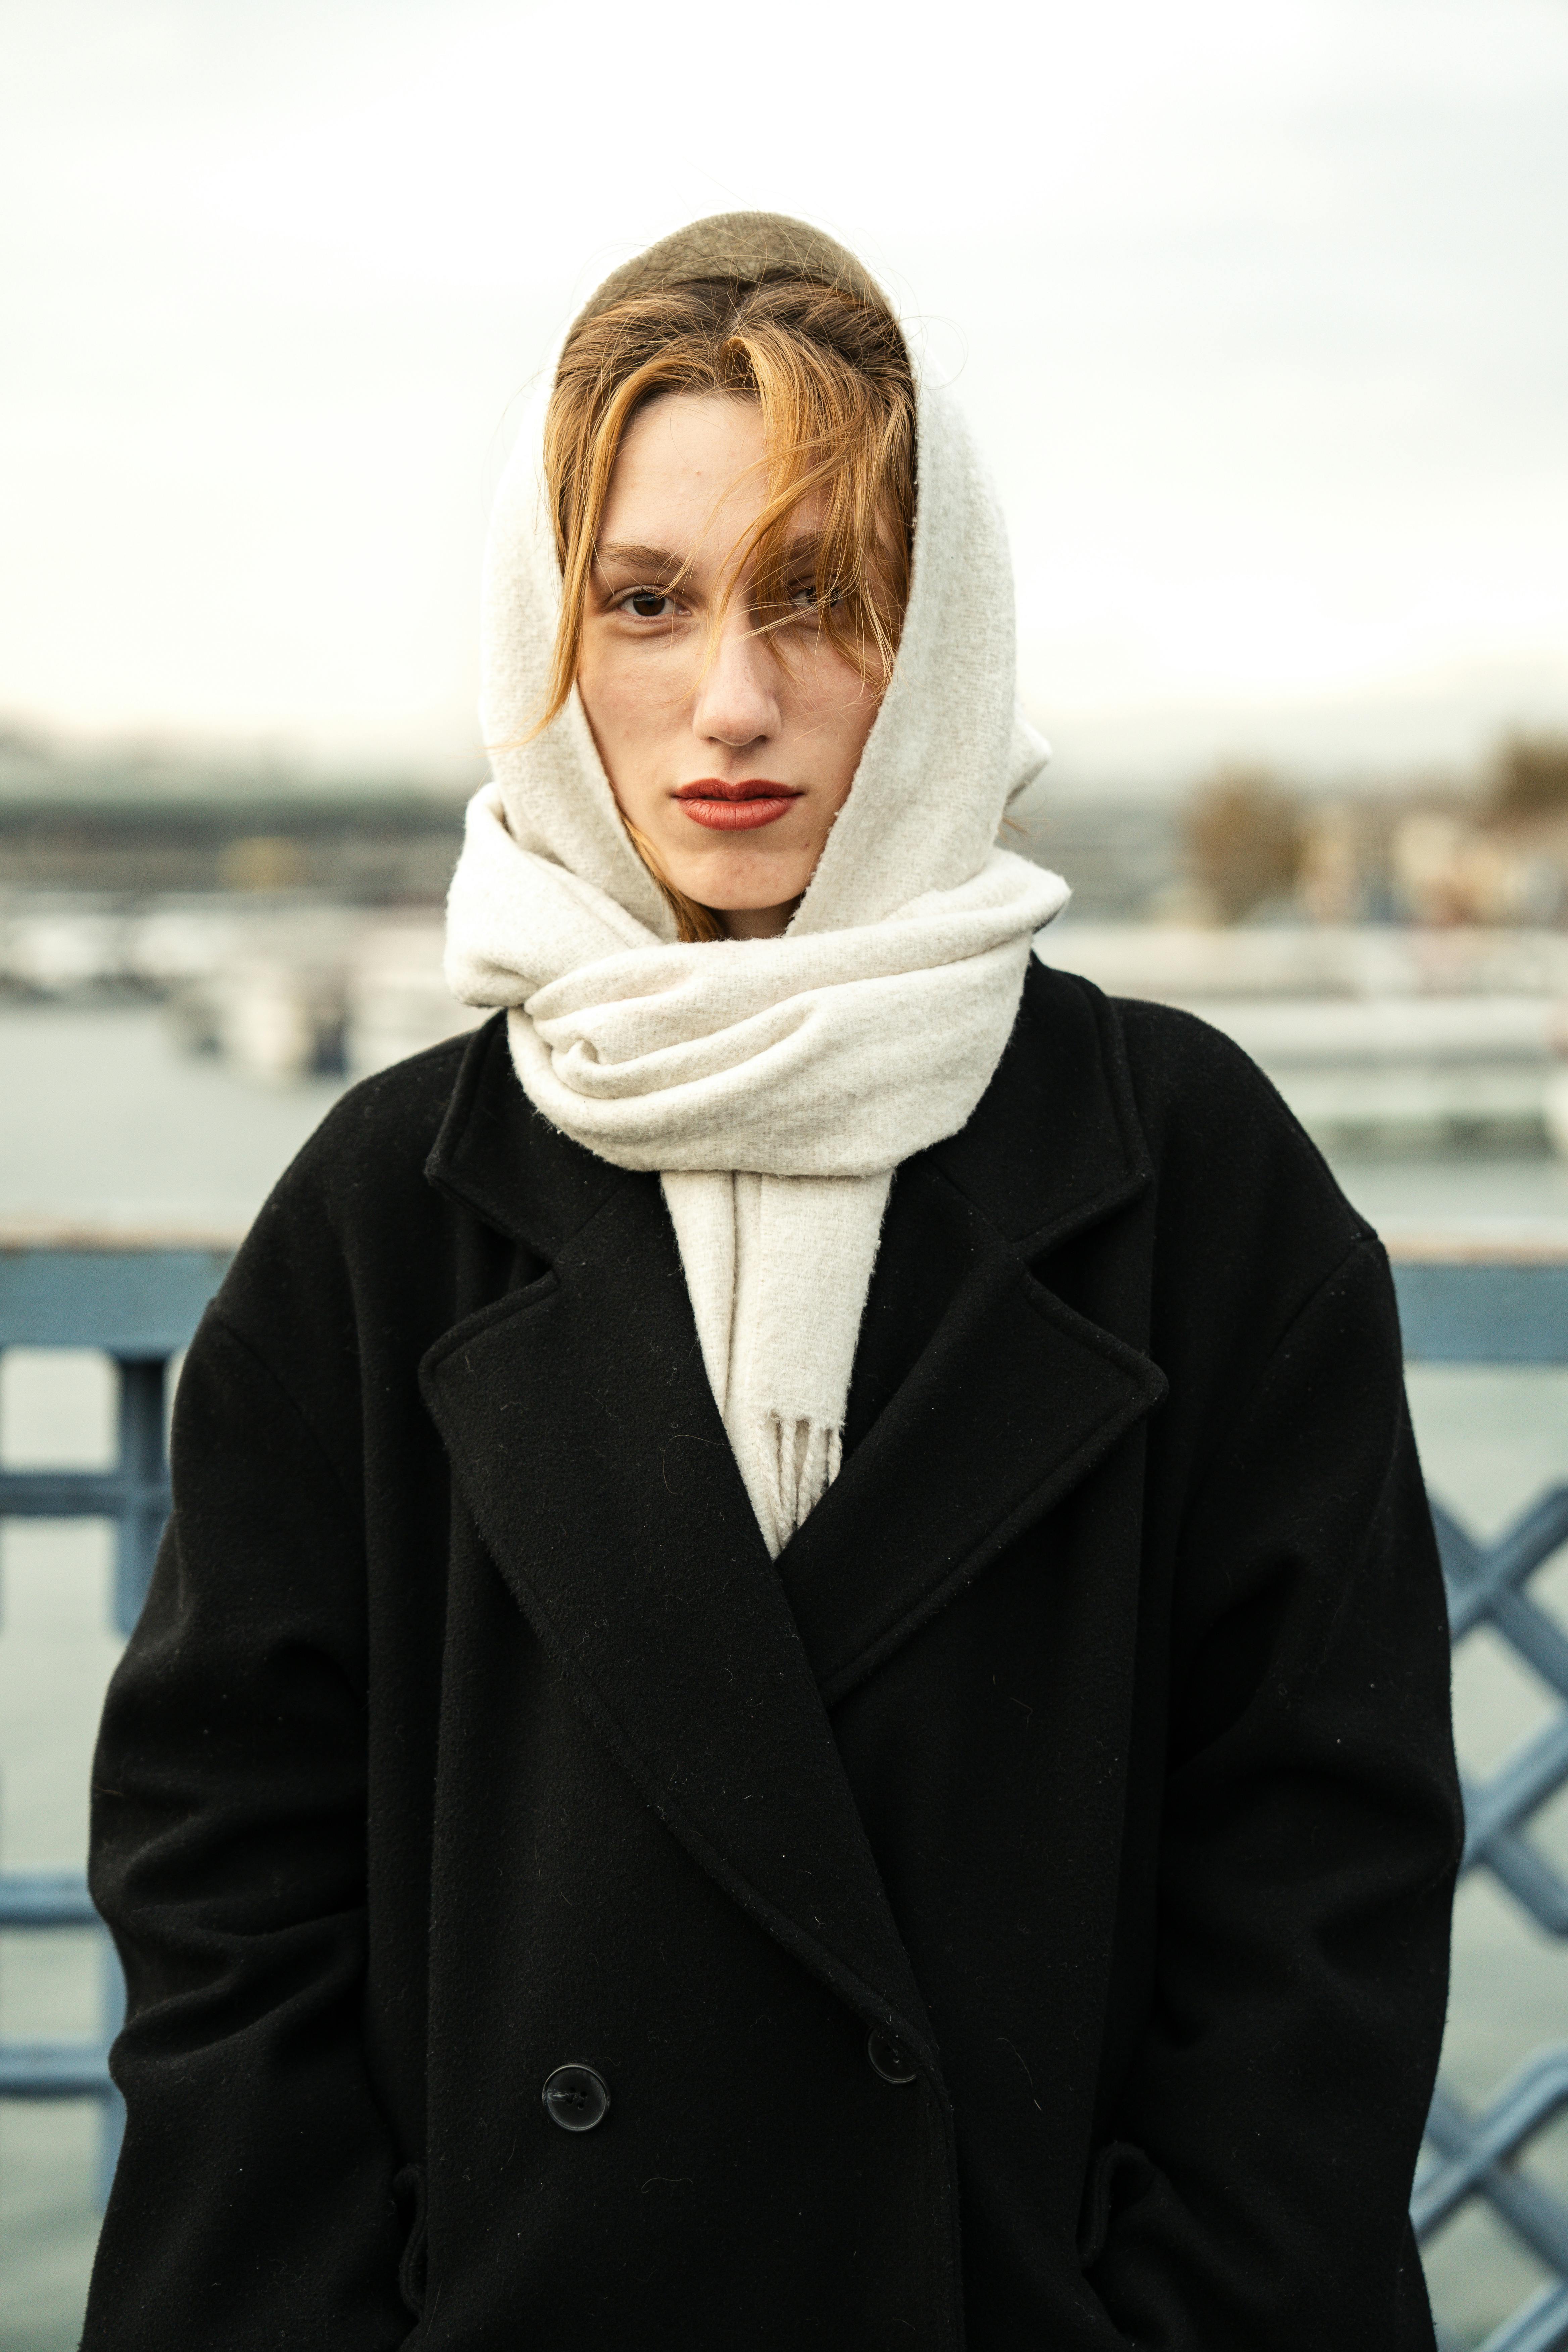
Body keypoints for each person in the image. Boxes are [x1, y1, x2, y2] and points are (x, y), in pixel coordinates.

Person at [82, 213, 1461, 2351]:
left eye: (818, 596)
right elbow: (224, 1895)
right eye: (647, 603)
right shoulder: (381, 1216)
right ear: (556, 634)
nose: (732, 697)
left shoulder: (1201, 1188)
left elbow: (1318, 1887)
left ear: (944, 635)